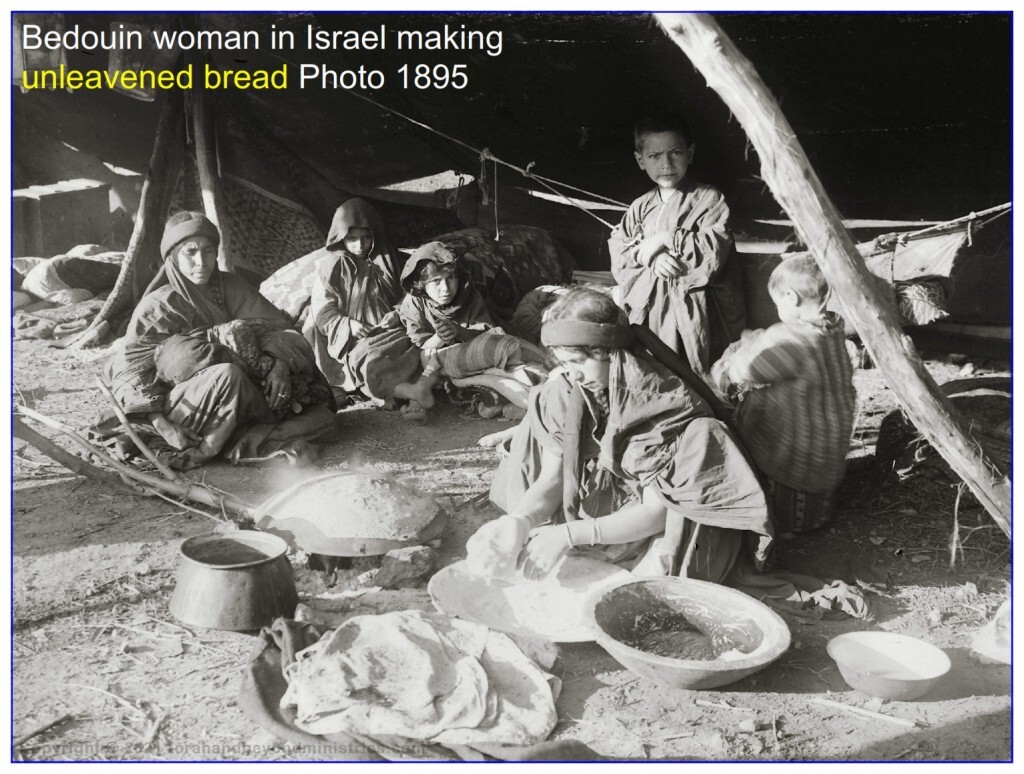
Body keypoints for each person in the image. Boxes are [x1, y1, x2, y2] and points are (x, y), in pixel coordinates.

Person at [468, 288, 772, 583]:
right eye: (563, 363)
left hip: (663, 512)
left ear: (611, 354)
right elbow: (553, 477)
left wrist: (571, 534)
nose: (571, 374)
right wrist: (520, 521)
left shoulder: (660, 407)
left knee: (652, 581)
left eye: (578, 362)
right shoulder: (568, 390)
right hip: (614, 497)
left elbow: (656, 512)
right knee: (537, 420)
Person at [95, 211, 336, 470]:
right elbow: (128, 376)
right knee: (227, 375)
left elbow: (281, 329)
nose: (202, 261)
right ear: (173, 258)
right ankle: (227, 442)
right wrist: (164, 428)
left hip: (246, 392)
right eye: (191, 252)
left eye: (208, 251)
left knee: (326, 420)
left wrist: (279, 364)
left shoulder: (232, 287)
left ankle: (238, 442)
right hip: (183, 405)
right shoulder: (157, 307)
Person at [711, 255, 857, 537]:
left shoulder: (790, 339)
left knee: (746, 404)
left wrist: (733, 358)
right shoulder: (833, 331)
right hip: (826, 452)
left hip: (794, 453)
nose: (776, 308)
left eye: (777, 302)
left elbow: (745, 372)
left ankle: (779, 524)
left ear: (791, 297)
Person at [607, 112, 745, 379]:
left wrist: (667, 238)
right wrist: (651, 258)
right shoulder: (640, 206)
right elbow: (621, 247)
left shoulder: (708, 199)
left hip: (697, 313)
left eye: (675, 153)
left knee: (705, 376)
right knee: (660, 371)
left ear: (690, 153)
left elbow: (714, 249)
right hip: (655, 314)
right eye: (655, 156)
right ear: (640, 160)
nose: (666, 164)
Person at [390, 241, 551, 422]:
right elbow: (420, 345)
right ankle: (417, 400)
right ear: (421, 285)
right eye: (436, 281)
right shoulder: (414, 302)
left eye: (450, 278)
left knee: (508, 363)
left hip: (474, 350)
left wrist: (458, 330)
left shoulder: (470, 295)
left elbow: (487, 333)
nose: (445, 288)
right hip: (437, 356)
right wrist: (439, 337)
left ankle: (534, 399)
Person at [303, 198, 404, 397]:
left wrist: (399, 312)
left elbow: (413, 293)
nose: (360, 245)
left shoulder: (392, 259)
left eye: (366, 237)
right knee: (371, 361)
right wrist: (348, 325)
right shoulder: (331, 267)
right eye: (352, 239)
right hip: (352, 339)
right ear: (341, 238)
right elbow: (324, 309)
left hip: (392, 331)